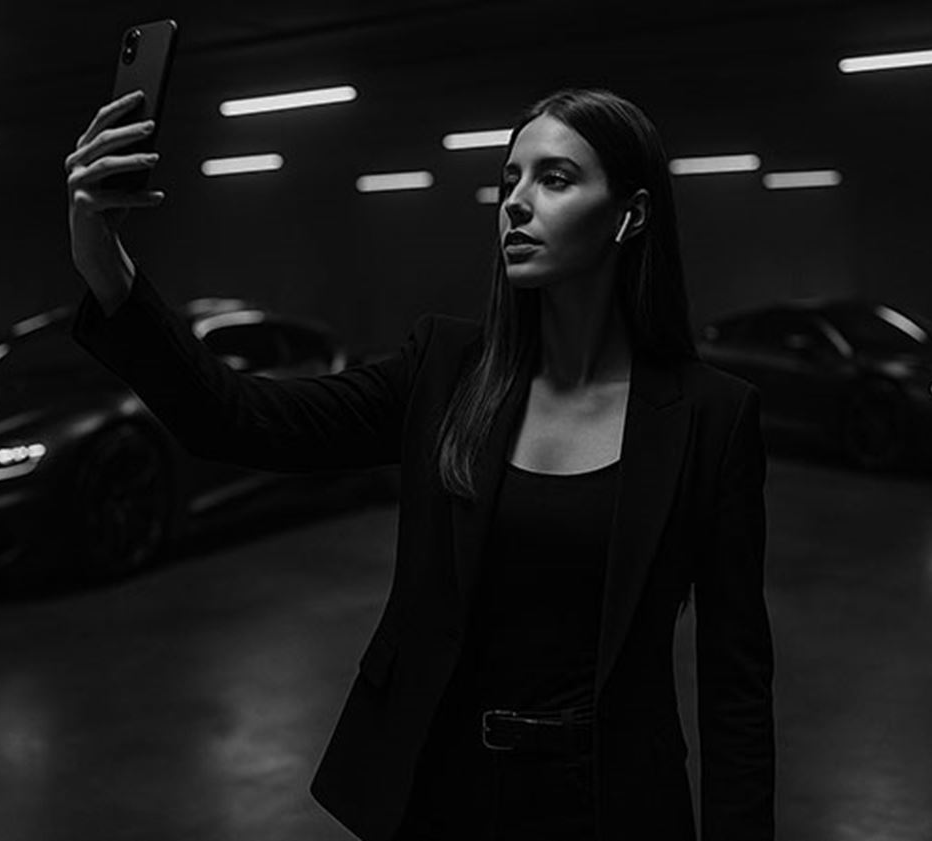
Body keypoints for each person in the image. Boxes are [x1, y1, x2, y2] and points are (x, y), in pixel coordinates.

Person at [65, 86, 774, 841]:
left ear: (630, 215)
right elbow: (238, 419)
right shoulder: (443, 369)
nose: (517, 204)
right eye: (510, 181)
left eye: (555, 179)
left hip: (611, 808)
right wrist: (103, 260)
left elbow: (735, 690)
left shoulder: (711, 418)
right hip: (444, 797)